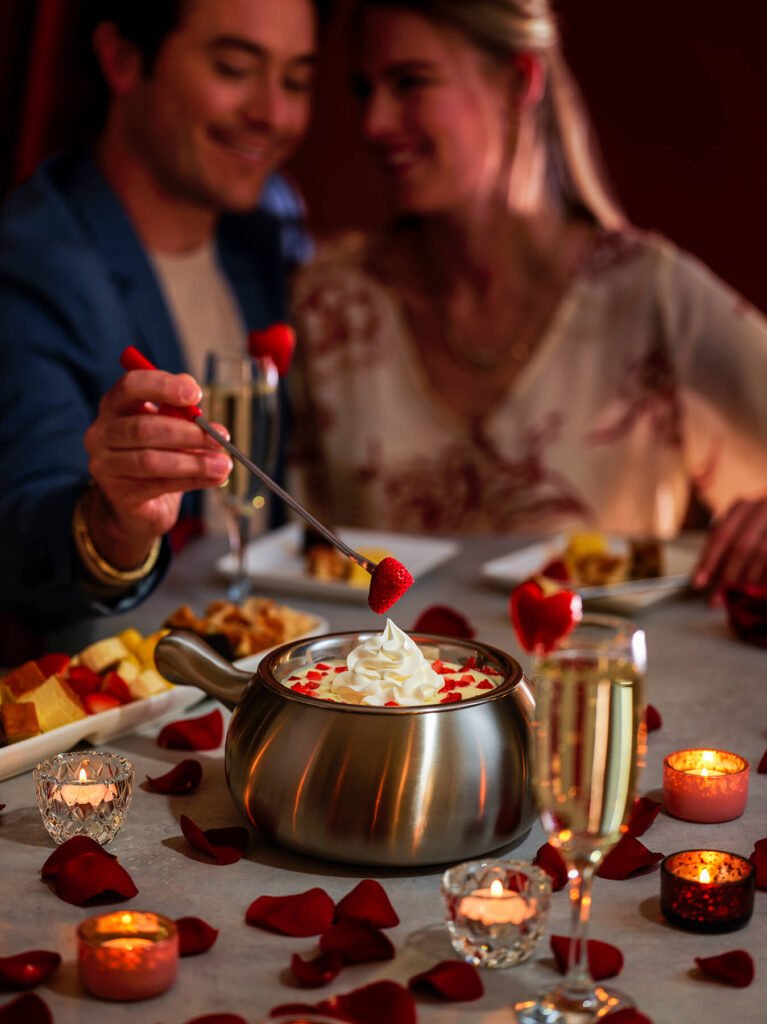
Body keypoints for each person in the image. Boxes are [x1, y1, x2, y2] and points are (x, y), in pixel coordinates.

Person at [290, 0, 767, 594]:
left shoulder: (649, 296)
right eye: (364, 89)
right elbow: (265, 548)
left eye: (410, 82)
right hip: (379, 685)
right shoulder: (327, 302)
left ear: (519, 81)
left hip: (593, 684)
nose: (374, 122)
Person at [0, 0, 321, 658]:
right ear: (122, 58)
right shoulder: (32, 258)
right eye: (234, 67)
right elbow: (23, 534)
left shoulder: (268, 224)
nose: (273, 114)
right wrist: (116, 525)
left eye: (294, 81)